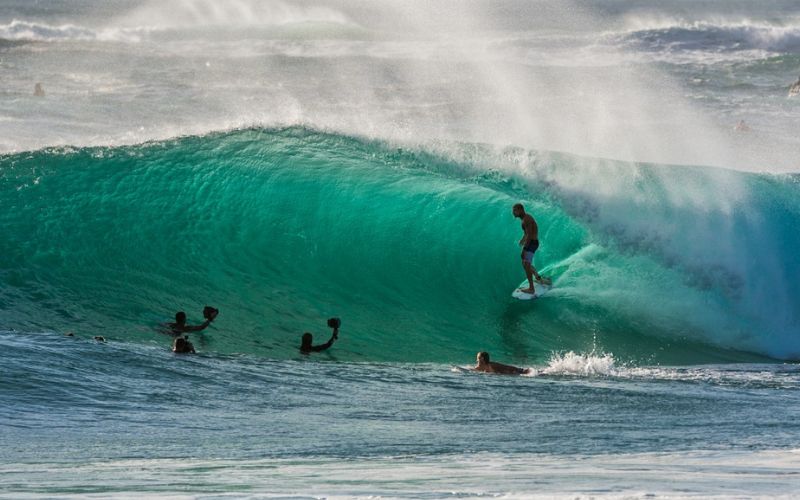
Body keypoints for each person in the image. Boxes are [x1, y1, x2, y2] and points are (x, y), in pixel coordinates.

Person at [512, 203, 549, 294]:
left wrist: (524, 248)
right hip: (531, 242)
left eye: (515, 210)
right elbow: (526, 233)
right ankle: (538, 277)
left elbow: (529, 235)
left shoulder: (526, 219)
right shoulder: (524, 219)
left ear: (521, 210)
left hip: (532, 243)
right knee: (524, 263)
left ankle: (531, 288)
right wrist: (522, 239)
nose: (513, 212)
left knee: (526, 264)